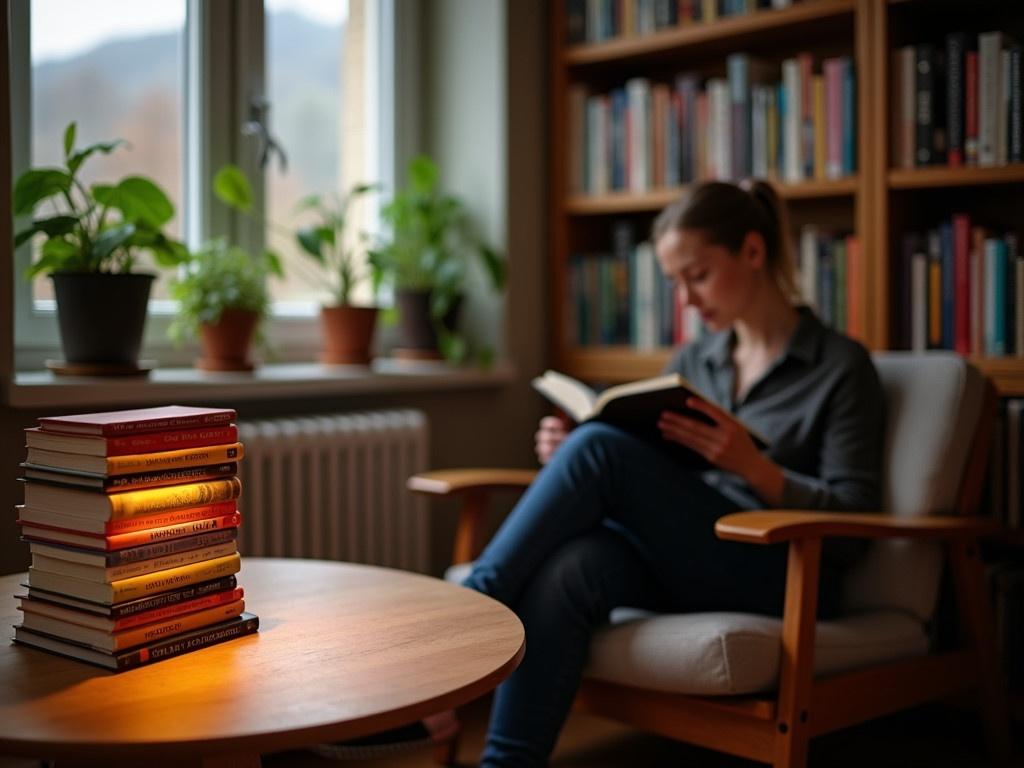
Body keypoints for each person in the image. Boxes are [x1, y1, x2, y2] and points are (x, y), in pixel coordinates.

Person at [461, 179, 886, 767]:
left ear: (753, 253)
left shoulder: (840, 367)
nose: (686, 299)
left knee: (602, 450)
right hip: (685, 556)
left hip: (780, 569)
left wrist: (754, 467)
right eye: (674, 282)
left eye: (699, 275)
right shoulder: (696, 361)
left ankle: (461, 621)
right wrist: (570, 453)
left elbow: (856, 522)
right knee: (572, 566)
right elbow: (652, 469)